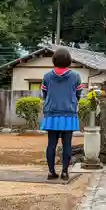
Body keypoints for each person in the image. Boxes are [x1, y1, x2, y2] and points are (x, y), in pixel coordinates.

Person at [40, 47, 83, 180]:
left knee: (51, 144)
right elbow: (78, 94)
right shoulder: (75, 76)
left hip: (51, 114)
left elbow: (45, 94)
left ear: (54, 60)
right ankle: (65, 172)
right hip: (68, 115)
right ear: (69, 60)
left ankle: (51, 172)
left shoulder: (47, 77)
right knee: (67, 144)